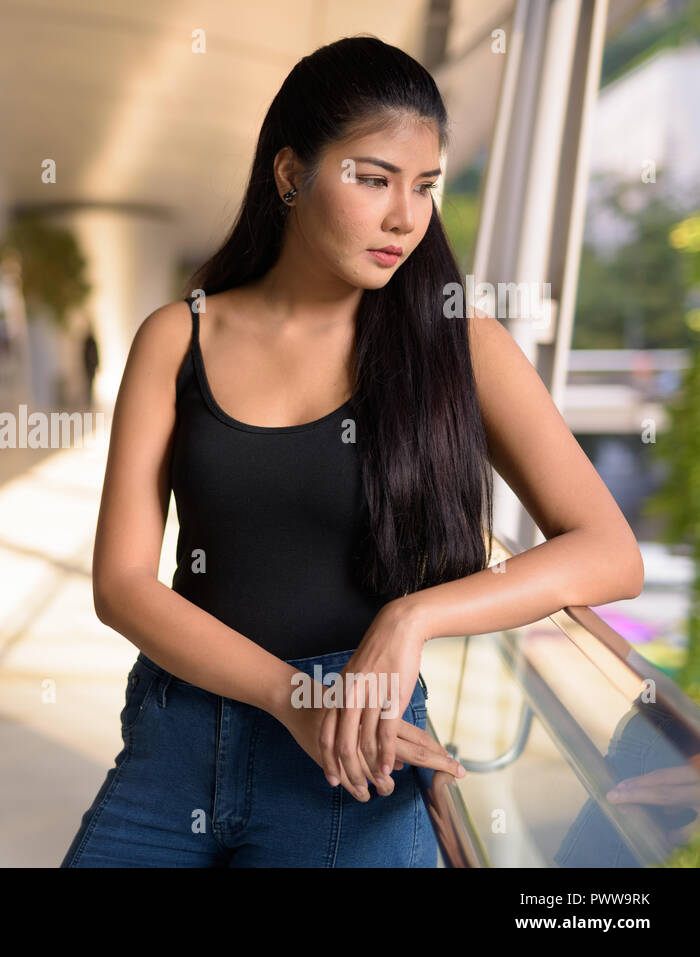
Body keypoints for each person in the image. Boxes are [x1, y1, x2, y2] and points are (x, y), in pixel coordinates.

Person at [62, 35, 643, 867]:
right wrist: (293, 696)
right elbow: (120, 585)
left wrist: (416, 615)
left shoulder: (458, 344)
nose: (405, 216)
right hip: (177, 738)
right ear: (291, 175)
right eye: (372, 178)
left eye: (425, 186)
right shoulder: (177, 337)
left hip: (360, 756)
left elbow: (610, 552)